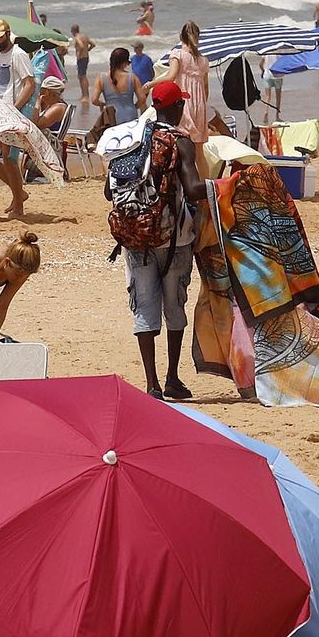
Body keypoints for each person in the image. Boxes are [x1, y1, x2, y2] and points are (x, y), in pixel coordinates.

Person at [119, 80, 206, 400]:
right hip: (175, 239)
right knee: (174, 307)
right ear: (177, 108)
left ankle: (151, 384)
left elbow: (108, 190)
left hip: (136, 238)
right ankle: (172, 378)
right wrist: (224, 185)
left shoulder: (132, 138)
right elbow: (194, 188)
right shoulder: (181, 142)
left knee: (144, 308)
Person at [0, 20, 33, 217]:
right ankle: (19, 193)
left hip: (11, 115)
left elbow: (29, 84)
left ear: (8, 34)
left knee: (10, 160)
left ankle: (18, 205)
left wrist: (16, 109)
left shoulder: (18, 54)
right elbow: (2, 83)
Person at [151, 21, 211, 146]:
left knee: (183, 146)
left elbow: (170, 77)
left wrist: (150, 84)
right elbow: (205, 88)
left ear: (181, 37)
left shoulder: (177, 54)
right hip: (200, 105)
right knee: (199, 151)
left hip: (182, 104)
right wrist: (201, 103)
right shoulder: (203, 60)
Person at [92, 46, 146, 127]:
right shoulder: (132, 77)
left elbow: (94, 100)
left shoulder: (101, 77)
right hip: (130, 114)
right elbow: (142, 99)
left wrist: (103, 104)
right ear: (124, 62)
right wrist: (134, 106)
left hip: (111, 115)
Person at [70, 24, 95, 101]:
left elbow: (81, 46)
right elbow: (93, 44)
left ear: (73, 31)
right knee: (82, 76)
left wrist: (79, 54)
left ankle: (85, 96)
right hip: (86, 57)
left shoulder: (77, 37)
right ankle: (84, 95)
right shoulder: (84, 36)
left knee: (82, 76)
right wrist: (88, 50)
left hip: (81, 58)